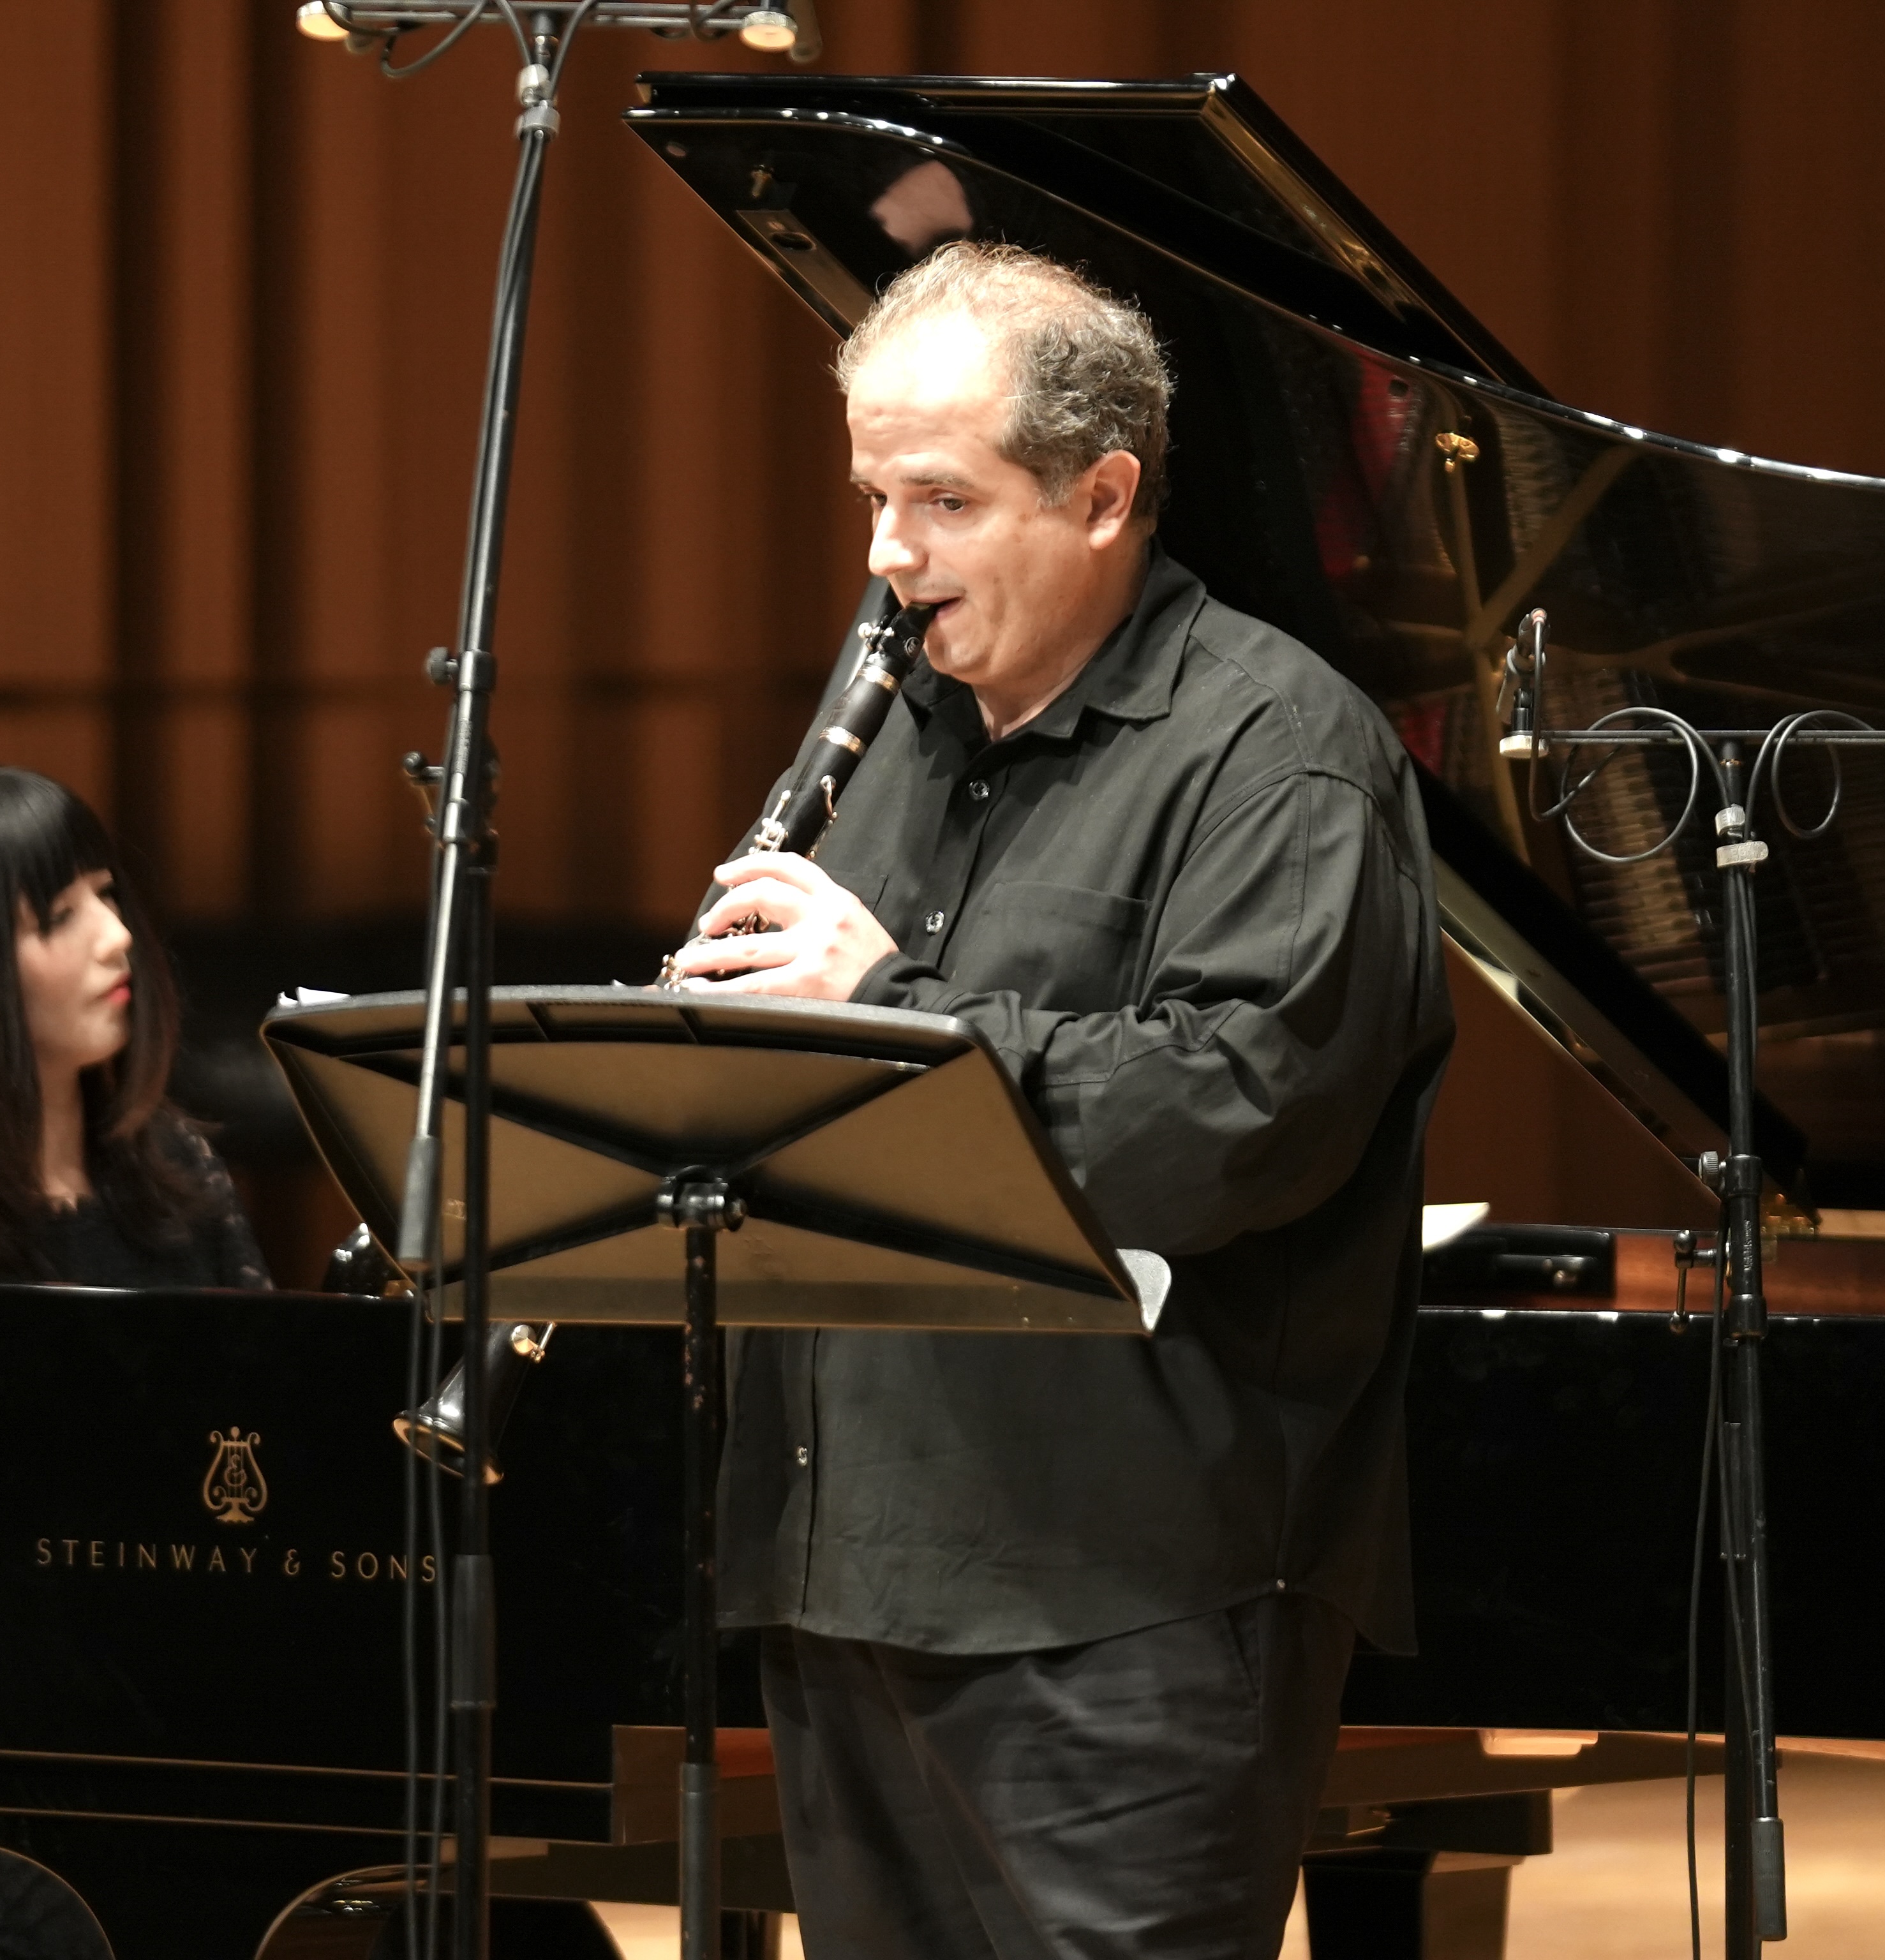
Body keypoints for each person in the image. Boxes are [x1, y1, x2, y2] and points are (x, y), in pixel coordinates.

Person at [667, 242, 1456, 1958]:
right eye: (877, 499)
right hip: (845, 1565)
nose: (889, 555)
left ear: (1103, 497)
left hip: (1130, 1598)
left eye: (945, 502)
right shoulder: (889, 730)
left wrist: (888, 1009)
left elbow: (1239, 1113)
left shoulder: (1280, 753)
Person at [0, 761, 271, 1960]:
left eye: (107, 896)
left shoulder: (181, 1182)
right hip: (34, 1816)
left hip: (234, 1755)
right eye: (59, 917)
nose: (117, 937)